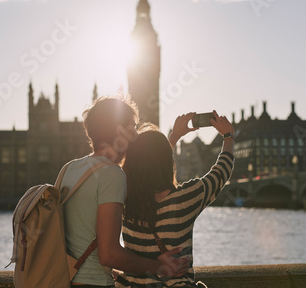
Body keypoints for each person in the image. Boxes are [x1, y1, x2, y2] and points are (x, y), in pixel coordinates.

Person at [60, 96, 189, 287]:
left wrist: (173, 138)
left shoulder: (70, 168)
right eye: (133, 127)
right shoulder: (112, 174)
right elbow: (109, 254)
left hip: (64, 280)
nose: (136, 134)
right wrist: (157, 266)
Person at [115, 111, 235, 287]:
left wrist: (174, 136)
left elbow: (148, 164)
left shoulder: (123, 198)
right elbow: (222, 170)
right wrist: (228, 136)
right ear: (169, 161)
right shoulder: (186, 198)